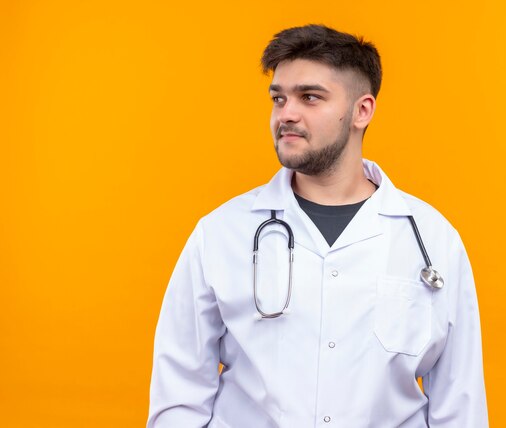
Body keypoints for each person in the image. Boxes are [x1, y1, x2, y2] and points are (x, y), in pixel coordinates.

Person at [147, 24, 488, 427]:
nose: (286, 114)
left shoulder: (433, 241)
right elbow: (178, 398)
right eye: (279, 98)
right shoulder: (220, 234)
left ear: (362, 111)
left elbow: (460, 406)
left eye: (310, 97)